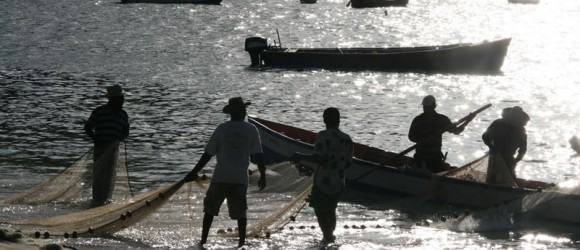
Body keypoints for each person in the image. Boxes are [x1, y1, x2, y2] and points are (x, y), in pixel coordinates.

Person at [184, 97, 266, 248]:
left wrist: (194, 171)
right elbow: (259, 155)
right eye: (244, 110)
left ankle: (203, 242)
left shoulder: (222, 128)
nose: (245, 112)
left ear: (230, 113)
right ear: (242, 112)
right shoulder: (251, 129)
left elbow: (208, 154)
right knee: (241, 213)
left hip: (221, 176)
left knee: (209, 211)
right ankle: (241, 243)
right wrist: (263, 175)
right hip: (240, 179)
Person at [290, 107, 354, 244]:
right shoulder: (347, 139)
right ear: (338, 120)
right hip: (339, 181)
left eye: (324, 117)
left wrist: (299, 156)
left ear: (325, 119)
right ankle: (330, 236)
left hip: (323, 181)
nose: (323, 119)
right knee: (331, 209)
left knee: (320, 210)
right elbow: (348, 163)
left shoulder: (322, 136)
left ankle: (327, 237)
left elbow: (320, 157)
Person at [84, 85, 130, 207]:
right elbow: (88, 127)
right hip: (100, 148)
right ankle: (96, 200)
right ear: (112, 99)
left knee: (109, 175)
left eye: (122, 99)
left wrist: (122, 137)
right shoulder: (99, 111)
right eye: (120, 99)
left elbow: (126, 131)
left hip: (113, 150)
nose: (122, 101)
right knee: (98, 174)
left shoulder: (123, 115)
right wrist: (95, 139)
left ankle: (104, 200)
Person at [408, 95, 473, 173]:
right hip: (420, 159)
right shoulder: (418, 120)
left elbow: (456, 131)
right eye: (425, 107)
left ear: (434, 106)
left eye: (428, 107)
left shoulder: (442, 120)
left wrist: (467, 121)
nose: (426, 110)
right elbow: (411, 137)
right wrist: (422, 139)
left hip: (435, 160)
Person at [482, 106, 529, 186]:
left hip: (509, 158)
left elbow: (523, 149)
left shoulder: (521, 130)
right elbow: (485, 136)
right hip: (495, 156)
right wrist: (491, 147)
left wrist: (516, 160)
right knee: (492, 179)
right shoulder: (498, 123)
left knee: (509, 179)